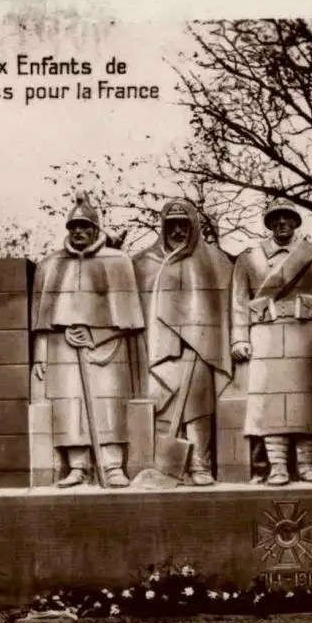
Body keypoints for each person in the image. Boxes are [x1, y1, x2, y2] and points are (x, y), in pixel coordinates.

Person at [31, 192, 144, 488]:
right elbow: (41, 319)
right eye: (73, 226)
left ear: (95, 229)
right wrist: (40, 355)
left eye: (84, 226)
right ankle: (78, 466)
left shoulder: (117, 261)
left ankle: (112, 465)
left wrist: (97, 335)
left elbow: (131, 318)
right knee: (70, 405)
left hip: (108, 346)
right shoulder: (50, 264)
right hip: (62, 346)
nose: (78, 231)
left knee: (109, 402)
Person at [230, 198, 312, 486]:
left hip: (307, 333)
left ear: (296, 222)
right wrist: (239, 338)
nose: (282, 222)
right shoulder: (248, 258)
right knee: (269, 401)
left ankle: (306, 463)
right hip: (265, 334)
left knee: (307, 400)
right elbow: (239, 302)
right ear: (269, 223)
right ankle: (277, 465)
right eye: (276, 218)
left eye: (287, 217)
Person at [132, 198, 233, 486]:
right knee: (162, 402)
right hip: (158, 350)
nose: (177, 231)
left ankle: (200, 464)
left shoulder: (216, 261)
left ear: (194, 226)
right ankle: (165, 465)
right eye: (171, 225)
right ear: (163, 228)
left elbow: (225, 307)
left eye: (183, 225)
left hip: (200, 350)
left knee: (199, 405)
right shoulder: (144, 262)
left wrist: (203, 339)